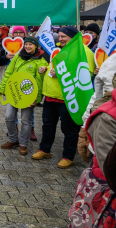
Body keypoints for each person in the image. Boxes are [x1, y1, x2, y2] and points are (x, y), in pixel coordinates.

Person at [33, 26, 96, 168]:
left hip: (69, 97)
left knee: (69, 129)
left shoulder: (85, 52)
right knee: (47, 125)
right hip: (50, 95)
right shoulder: (57, 50)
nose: (60, 39)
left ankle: (68, 156)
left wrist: (61, 75)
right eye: (59, 36)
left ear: (72, 37)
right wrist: (46, 69)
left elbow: (86, 75)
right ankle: (44, 149)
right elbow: (53, 67)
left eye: (63, 37)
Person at [0, 37, 47, 155]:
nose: (28, 46)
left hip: (28, 96)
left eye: (31, 44)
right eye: (26, 44)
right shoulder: (17, 57)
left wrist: (36, 98)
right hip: (13, 92)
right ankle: (13, 140)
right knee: (9, 117)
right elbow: (8, 73)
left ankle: (23, 144)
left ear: (36, 46)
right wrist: (2, 88)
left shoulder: (41, 61)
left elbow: (39, 83)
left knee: (26, 121)